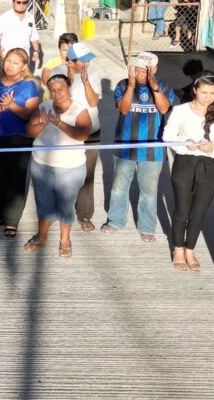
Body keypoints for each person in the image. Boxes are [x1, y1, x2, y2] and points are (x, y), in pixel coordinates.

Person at [163, 72, 214, 272]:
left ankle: (190, 249)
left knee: (198, 212)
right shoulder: (181, 111)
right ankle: (178, 249)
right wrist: (186, 145)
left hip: (210, 165)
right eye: (204, 92)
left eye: (212, 93)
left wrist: (212, 148)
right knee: (182, 210)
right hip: (185, 162)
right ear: (195, 90)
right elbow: (168, 135)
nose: (208, 97)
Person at [104, 51, 174, 243]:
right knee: (119, 187)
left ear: (154, 70)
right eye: (137, 69)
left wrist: (155, 88)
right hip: (124, 147)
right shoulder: (122, 85)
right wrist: (131, 87)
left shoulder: (164, 86)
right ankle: (116, 220)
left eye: (145, 70)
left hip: (153, 150)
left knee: (149, 191)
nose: (140, 73)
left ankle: (147, 227)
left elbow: (164, 108)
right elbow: (124, 109)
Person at [24, 74, 93, 258]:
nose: (56, 93)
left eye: (60, 89)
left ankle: (65, 239)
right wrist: (43, 123)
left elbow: (82, 135)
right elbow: (29, 131)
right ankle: (42, 235)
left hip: (70, 167)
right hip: (42, 164)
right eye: (52, 90)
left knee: (66, 205)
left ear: (68, 88)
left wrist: (59, 123)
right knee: (43, 203)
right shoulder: (43, 107)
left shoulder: (80, 110)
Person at [0, 48, 41, 238]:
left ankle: (12, 221)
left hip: (19, 138)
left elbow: (30, 115)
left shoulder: (29, 86)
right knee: (0, 177)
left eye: (16, 62)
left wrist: (12, 105)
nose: (10, 65)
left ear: (24, 66)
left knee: (16, 179)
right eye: (8, 60)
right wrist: (2, 107)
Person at [48, 41, 104, 231]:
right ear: (69, 61)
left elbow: (93, 101)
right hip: (64, 132)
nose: (86, 64)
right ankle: (59, 209)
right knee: (61, 172)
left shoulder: (93, 72)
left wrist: (87, 82)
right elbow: (55, 101)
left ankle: (85, 214)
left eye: (88, 60)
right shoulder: (57, 72)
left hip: (91, 131)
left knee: (87, 175)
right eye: (82, 61)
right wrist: (69, 83)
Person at [0, 0, 41, 71]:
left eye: (24, 2)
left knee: (23, 80)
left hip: (24, 56)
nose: (21, 5)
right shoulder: (5, 17)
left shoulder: (30, 17)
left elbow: (34, 36)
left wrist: (36, 51)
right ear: (13, 3)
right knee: (6, 80)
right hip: (7, 55)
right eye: (18, 2)